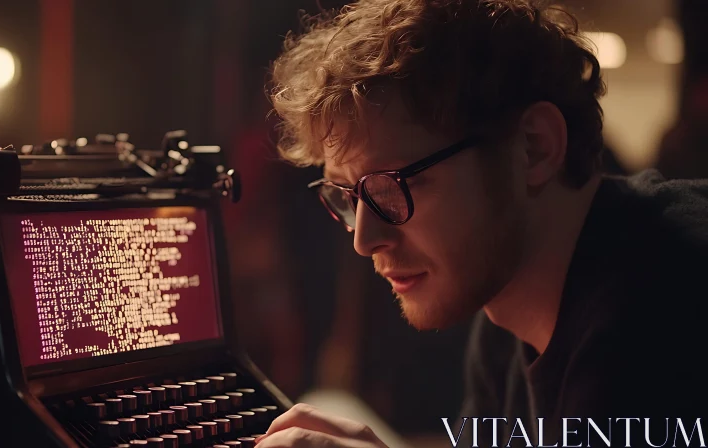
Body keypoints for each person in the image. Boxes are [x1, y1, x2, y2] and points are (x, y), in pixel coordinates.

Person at [257, 0, 708, 447]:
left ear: (534, 147)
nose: (365, 240)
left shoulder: (667, 306)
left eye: (395, 185)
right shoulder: (504, 318)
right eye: (350, 196)